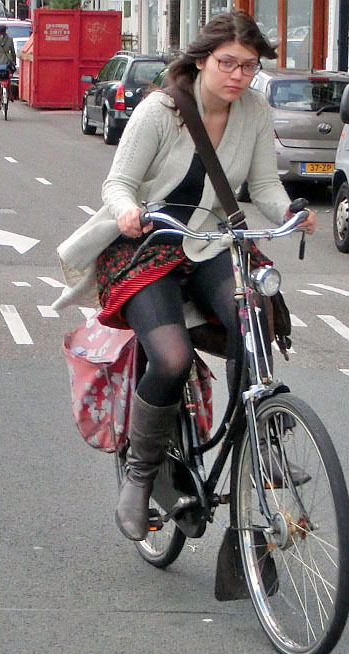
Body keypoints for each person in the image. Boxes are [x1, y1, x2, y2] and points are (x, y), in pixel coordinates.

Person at [53, 10, 316, 542]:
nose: (239, 76)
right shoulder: (161, 110)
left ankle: (261, 446)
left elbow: (263, 186)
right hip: (147, 244)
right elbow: (119, 182)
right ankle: (140, 476)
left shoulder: (254, 111)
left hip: (210, 242)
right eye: (228, 64)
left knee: (255, 320)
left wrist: (292, 211)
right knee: (170, 359)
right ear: (202, 60)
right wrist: (128, 210)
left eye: (249, 66)